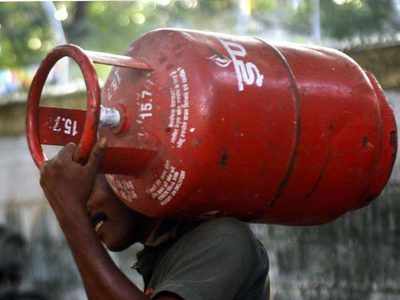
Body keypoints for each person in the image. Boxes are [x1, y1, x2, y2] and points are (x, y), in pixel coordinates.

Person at [39, 139, 270, 300]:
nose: (82, 207)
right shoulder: (163, 254)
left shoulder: (223, 239)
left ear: (125, 174)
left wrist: (70, 213)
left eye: (85, 190)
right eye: (74, 197)